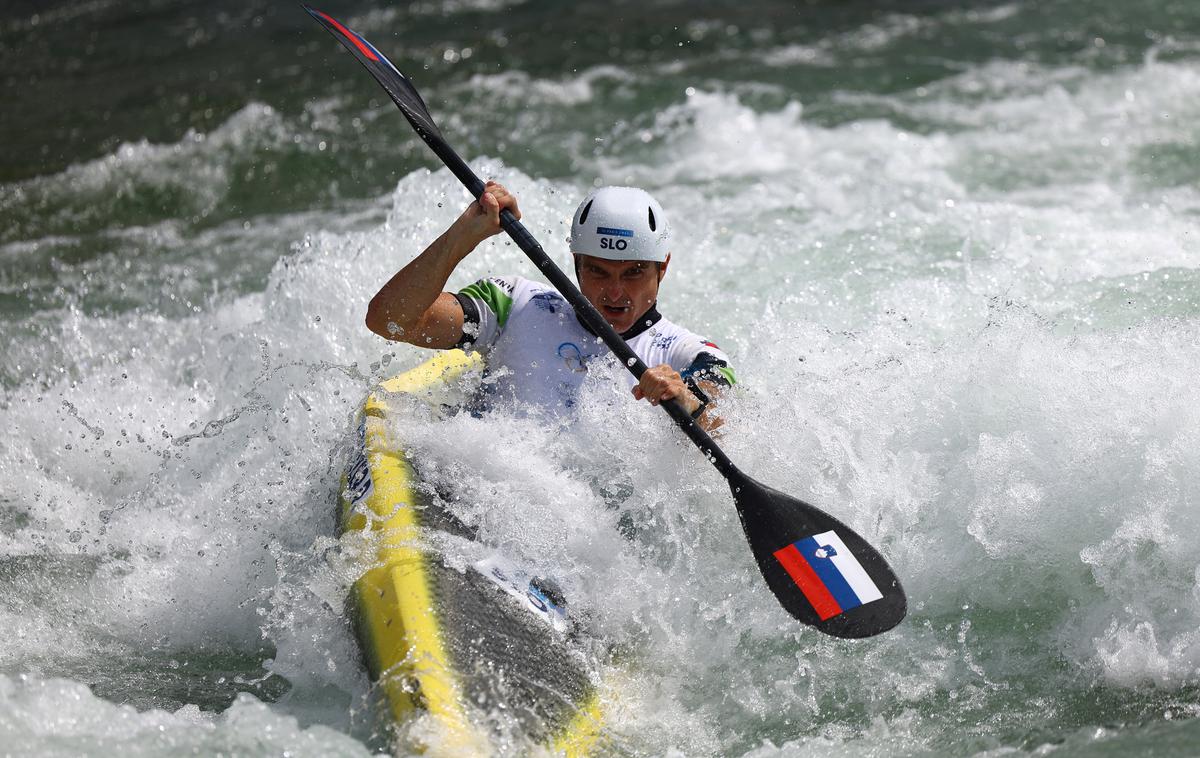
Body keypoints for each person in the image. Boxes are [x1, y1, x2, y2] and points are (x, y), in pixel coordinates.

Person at [365, 182, 735, 430]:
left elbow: (728, 426)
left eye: (634, 273)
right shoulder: (512, 304)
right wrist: (463, 236)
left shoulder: (689, 354)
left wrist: (685, 398)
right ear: (576, 262)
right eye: (598, 271)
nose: (615, 292)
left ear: (662, 268)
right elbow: (390, 321)